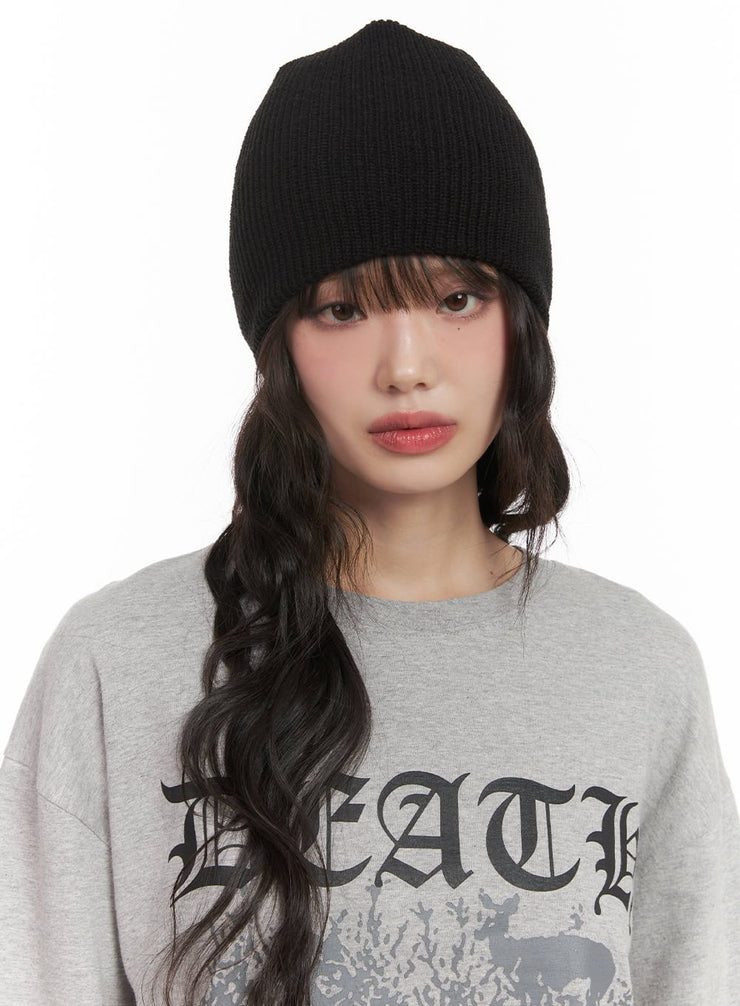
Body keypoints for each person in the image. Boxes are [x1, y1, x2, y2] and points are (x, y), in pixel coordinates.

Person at [0, 18, 738, 1006]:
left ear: (519, 323)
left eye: (455, 298)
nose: (405, 366)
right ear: (279, 344)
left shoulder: (638, 670)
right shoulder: (116, 665)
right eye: (342, 308)